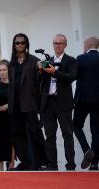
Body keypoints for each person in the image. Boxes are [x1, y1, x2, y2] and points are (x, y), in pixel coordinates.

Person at [8, 33, 47, 170]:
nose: (20, 45)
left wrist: (41, 70)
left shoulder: (34, 61)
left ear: (26, 44)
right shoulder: (11, 63)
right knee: (17, 135)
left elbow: (40, 84)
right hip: (15, 105)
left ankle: (42, 162)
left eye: (22, 43)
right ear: (14, 45)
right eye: (17, 43)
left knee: (35, 133)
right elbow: (11, 85)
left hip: (29, 104)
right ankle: (25, 162)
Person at [39, 34, 77, 170]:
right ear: (53, 44)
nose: (58, 45)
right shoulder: (47, 60)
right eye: (55, 43)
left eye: (61, 43)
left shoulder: (71, 61)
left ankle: (70, 165)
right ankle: (52, 164)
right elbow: (42, 81)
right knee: (49, 135)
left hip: (63, 103)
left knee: (67, 134)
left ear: (65, 45)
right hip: (48, 102)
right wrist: (40, 70)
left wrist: (54, 72)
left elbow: (71, 77)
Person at [73, 36, 99, 170]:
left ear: (89, 44)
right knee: (96, 131)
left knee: (76, 126)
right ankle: (94, 163)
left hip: (82, 100)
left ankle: (87, 150)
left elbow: (74, 76)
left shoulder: (81, 58)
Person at [0, 60, 15, 171]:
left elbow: (17, 100)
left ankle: (11, 165)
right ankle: (0, 167)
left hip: (10, 116)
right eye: (0, 70)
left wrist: (8, 105)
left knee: (10, 141)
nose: (2, 72)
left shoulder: (13, 84)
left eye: (4, 70)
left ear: (8, 70)